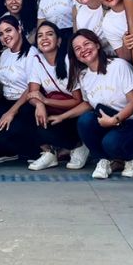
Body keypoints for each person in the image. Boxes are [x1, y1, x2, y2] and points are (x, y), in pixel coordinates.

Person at [65, 30, 133, 180]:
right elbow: (88, 104)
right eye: (77, 48)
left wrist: (114, 120)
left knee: (110, 143)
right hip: (110, 121)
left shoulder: (119, 66)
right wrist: (62, 117)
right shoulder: (83, 76)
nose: (83, 49)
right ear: (75, 55)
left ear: (97, 45)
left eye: (86, 44)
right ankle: (103, 160)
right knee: (85, 121)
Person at [25, 21, 89, 170]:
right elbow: (32, 94)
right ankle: (49, 153)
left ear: (59, 40)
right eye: (40, 36)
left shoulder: (68, 60)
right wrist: (39, 104)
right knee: (27, 112)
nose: (44, 38)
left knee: (84, 121)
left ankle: (79, 146)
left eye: (49, 34)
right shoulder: (37, 60)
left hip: (75, 112)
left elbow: (78, 100)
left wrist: (46, 101)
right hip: (56, 110)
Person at [0, 15, 43, 165]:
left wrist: (11, 112)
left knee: (8, 131)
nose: (5, 36)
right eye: (1, 34)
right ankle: (7, 148)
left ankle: (29, 149)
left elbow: (31, 87)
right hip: (7, 101)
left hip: (26, 104)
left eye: (8, 30)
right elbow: (4, 82)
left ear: (19, 29)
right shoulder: (5, 54)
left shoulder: (32, 53)